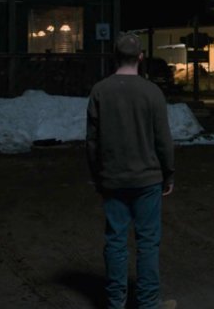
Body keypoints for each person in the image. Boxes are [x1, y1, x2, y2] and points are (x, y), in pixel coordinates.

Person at [86, 31, 176, 309]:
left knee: (115, 241)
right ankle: (148, 303)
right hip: (147, 178)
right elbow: (163, 139)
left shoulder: (100, 90)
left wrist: (96, 175)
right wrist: (168, 173)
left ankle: (116, 303)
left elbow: (92, 141)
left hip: (113, 178)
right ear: (140, 57)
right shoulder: (152, 92)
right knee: (148, 242)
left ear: (115, 56)